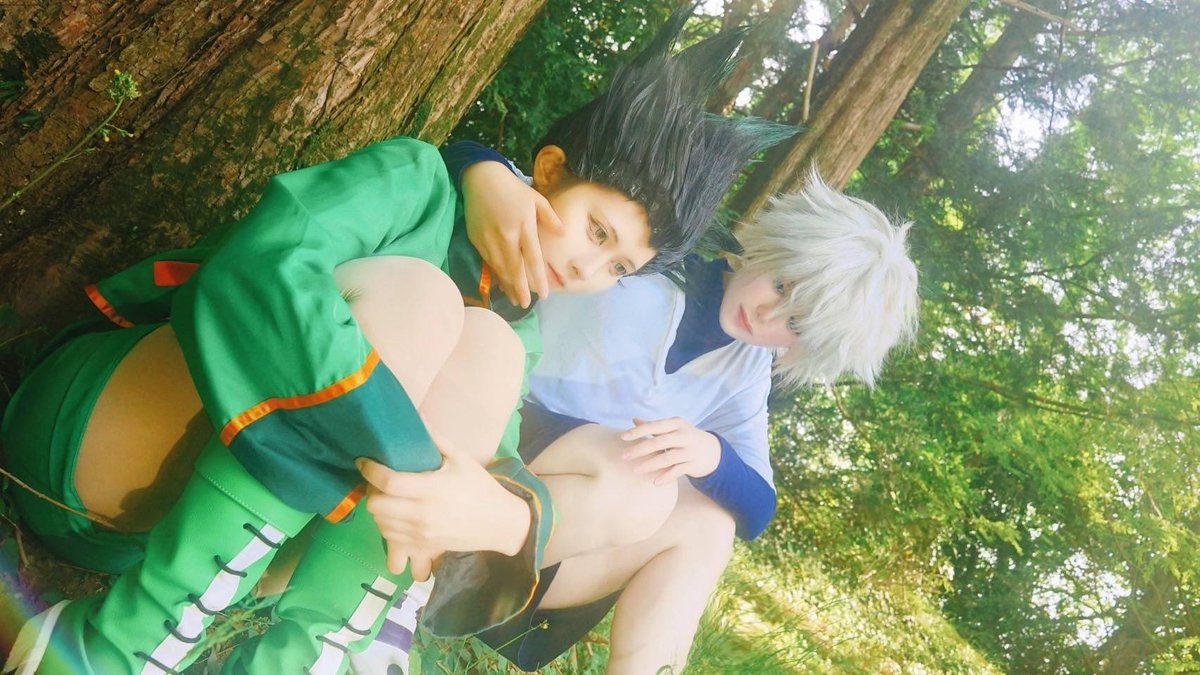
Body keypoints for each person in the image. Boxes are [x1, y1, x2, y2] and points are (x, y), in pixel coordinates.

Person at [0, 16, 793, 673]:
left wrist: (489, 511)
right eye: (596, 230)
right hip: (84, 440)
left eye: (618, 268)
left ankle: (305, 657)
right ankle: (115, 645)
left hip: (147, 536)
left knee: (489, 351)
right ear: (549, 170)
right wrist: (404, 448)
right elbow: (259, 271)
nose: (590, 269)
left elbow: (484, 470)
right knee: (423, 301)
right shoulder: (417, 181)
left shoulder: (515, 328)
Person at [355, 163, 920, 674]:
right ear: (771, 247)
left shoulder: (747, 369)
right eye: (782, 285)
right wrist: (484, 169)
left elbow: (758, 508)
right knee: (634, 470)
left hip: (546, 532)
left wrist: (712, 455)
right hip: (478, 422)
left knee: (709, 525)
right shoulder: (648, 254)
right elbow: (512, 186)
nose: (766, 315)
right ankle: (402, 582)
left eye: (795, 325)